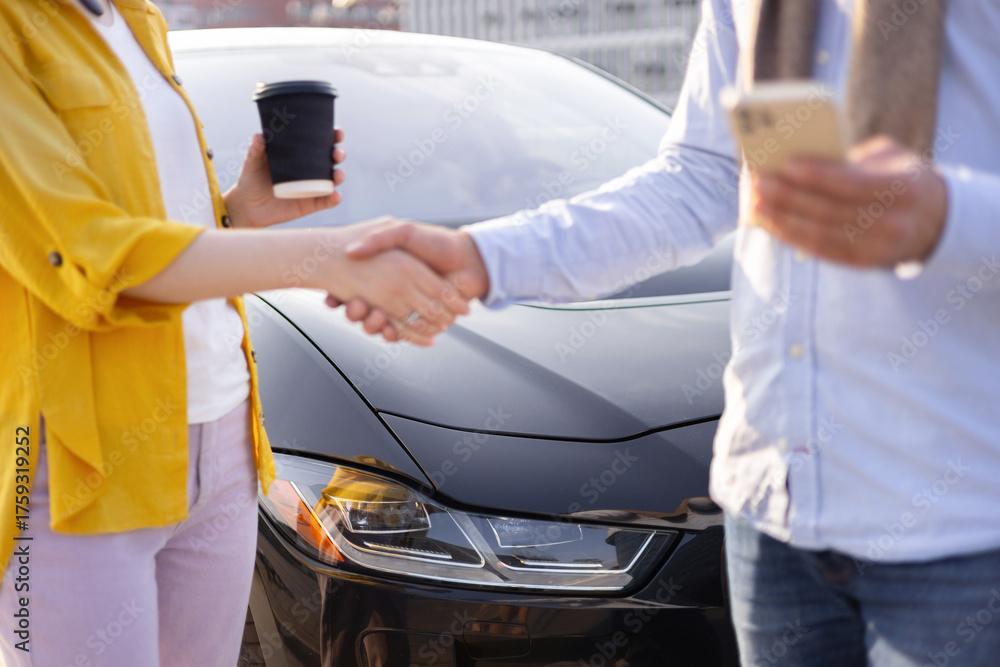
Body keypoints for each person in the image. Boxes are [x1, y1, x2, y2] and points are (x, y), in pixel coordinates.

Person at [341, 0, 1000, 664]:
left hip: (958, 517)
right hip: (772, 510)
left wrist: (946, 215)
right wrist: (482, 258)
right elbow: (702, 179)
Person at [0, 0, 464, 665]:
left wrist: (236, 211)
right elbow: (88, 256)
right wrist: (331, 259)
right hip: (71, 456)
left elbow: (157, 223)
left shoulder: (136, 19)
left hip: (224, 434)